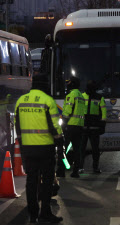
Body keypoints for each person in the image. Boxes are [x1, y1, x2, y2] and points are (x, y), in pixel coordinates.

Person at [15, 74, 64, 223]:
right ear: (45, 85)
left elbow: (17, 125)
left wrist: (22, 144)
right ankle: (45, 213)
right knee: (47, 180)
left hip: (27, 148)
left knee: (31, 180)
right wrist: (60, 140)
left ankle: (33, 214)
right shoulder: (47, 100)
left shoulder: (21, 101)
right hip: (45, 147)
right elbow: (55, 126)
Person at [57, 77, 85, 178]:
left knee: (62, 148)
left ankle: (61, 170)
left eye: (68, 83)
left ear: (72, 84)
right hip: (79, 126)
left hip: (70, 126)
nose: (67, 84)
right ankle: (75, 172)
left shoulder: (71, 95)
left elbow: (67, 110)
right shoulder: (81, 95)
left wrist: (64, 123)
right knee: (77, 150)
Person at [80, 80, 107, 173]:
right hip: (85, 127)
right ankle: (81, 167)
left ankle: (94, 167)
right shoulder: (82, 96)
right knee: (82, 149)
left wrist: (102, 124)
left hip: (93, 127)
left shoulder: (99, 97)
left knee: (94, 150)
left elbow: (104, 112)